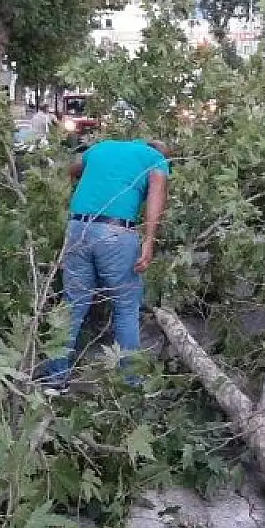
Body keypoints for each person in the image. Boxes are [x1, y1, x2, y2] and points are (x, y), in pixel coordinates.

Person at [46, 139, 171, 391]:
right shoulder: (156, 159)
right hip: (116, 231)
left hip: (78, 227)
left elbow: (73, 169)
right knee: (125, 308)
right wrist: (149, 241)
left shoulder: (102, 147)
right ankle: (131, 384)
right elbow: (156, 198)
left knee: (72, 304)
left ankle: (55, 379)